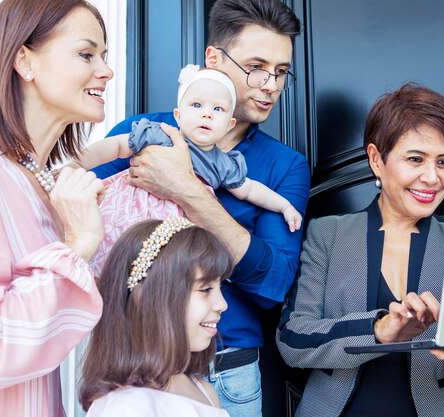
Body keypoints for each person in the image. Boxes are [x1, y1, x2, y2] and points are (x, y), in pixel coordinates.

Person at [90, 1, 310, 415]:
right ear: (214, 58)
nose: (270, 85)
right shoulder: (142, 132)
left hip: (228, 369)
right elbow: (88, 217)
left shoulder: (285, 167)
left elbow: (274, 284)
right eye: (256, 66)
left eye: (281, 72)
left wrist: (185, 189)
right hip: (136, 358)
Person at [276, 83, 444, 417]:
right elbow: (293, 339)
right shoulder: (327, 234)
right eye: (415, 159)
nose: (432, 178)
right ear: (377, 159)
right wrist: (379, 330)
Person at [0, 0, 112, 416]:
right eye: (87, 54)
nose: (106, 70)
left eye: (105, 56)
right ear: (23, 62)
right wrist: (77, 245)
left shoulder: (53, 186)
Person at [72, 64, 302, 233]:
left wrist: (285, 206)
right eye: (197, 105)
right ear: (178, 116)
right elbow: (115, 146)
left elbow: (250, 190)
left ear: (229, 124)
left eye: (218, 109)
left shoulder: (222, 162)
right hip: (127, 213)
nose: (207, 113)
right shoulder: (160, 134)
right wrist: (74, 164)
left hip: (176, 232)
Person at [80, 218, 233, 417]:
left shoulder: (204, 390)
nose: (222, 304)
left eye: (220, 287)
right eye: (205, 289)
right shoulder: (126, 408)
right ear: (146, 297)